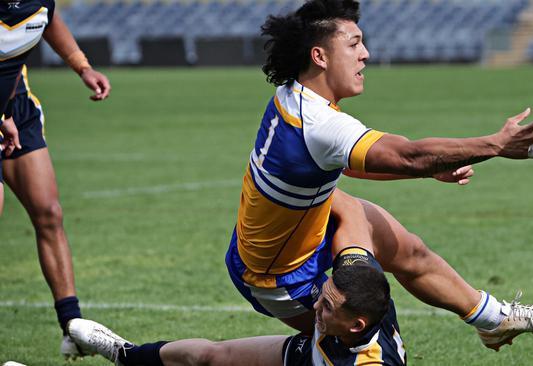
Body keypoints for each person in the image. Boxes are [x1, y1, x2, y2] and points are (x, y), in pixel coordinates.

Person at [224, 0, 533, 352]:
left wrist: (429, 170)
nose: (365, 54)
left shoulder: (294, 95)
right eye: (354, 44)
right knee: (369, 342)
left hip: (301, 228)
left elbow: (349, 161)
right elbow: (409, 155)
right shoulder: (320, 123)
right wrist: (496, 144)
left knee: (407, 249)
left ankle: (494, 321)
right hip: (278, 276)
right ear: (320, 57)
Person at [1, 0, 111, 359]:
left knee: (49, 212)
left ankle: (72, 328)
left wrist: (82, 67)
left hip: (16, 108)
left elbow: (46, 20)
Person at [68, 249, 406, 366]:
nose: (316, 305)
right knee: (209, 357)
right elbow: (353, 215)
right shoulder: (365, 282)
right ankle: (123, 354)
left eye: (328, 306)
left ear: (357, 325)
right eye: (323, 294)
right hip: (313, 352)